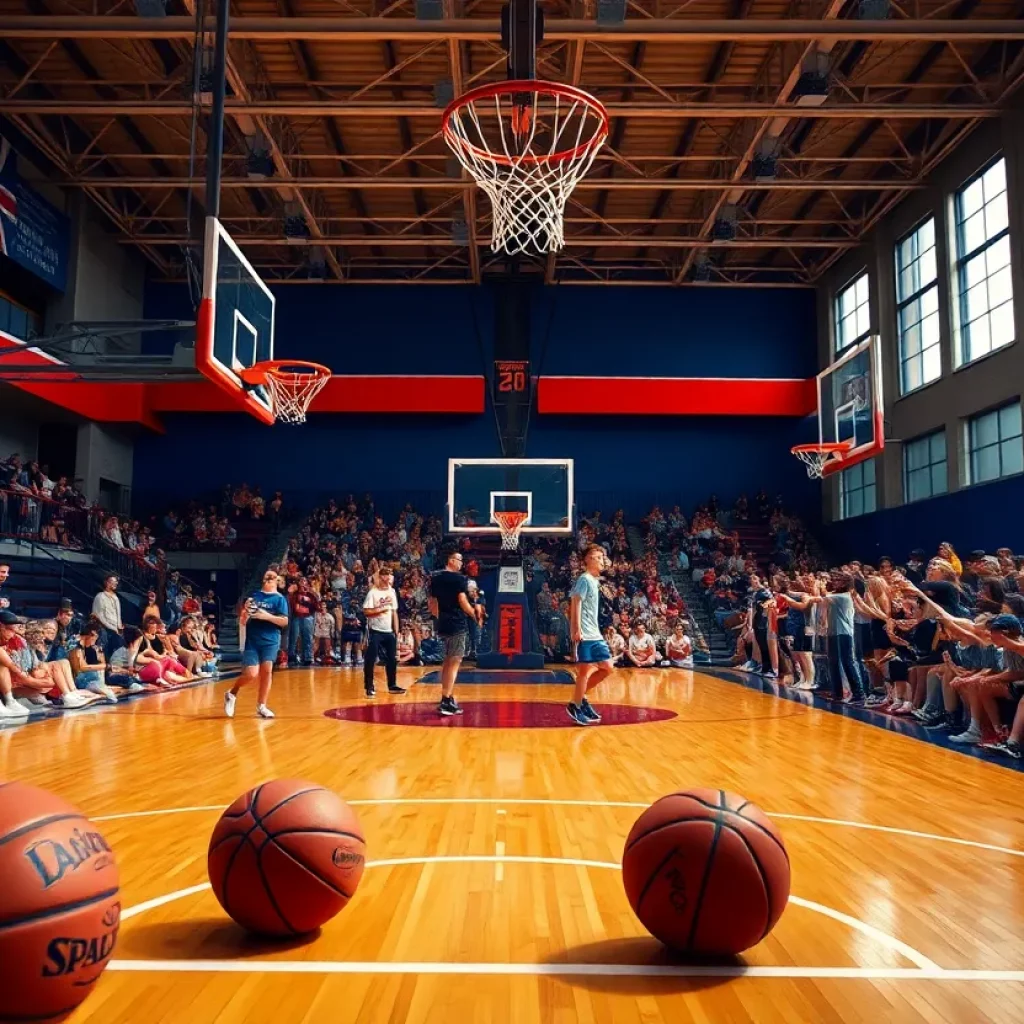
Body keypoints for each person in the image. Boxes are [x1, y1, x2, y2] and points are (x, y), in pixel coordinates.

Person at [225, 568, 289, 719]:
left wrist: (266, 616)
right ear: (263, 578)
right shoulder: (254, 596)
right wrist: (244, 613)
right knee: (251, 674)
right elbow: (243, 620)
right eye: (267, 574)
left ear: (277, 581)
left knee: (267, 671)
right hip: (253, 639)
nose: (270, 577)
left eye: (273, 576)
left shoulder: (280, 599)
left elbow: (284, 621)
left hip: (271, 639)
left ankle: (262, 705)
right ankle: (232, 693)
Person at [567, 544, 616, 725]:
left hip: (595, 634)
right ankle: (576, 705)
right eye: (598, 557)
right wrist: (575, 629)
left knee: (607, 667)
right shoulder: (584, 579)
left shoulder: (595, 581)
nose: (602, 561)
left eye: (602, 558)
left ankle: (580, 698)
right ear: (587, 559)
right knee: (584, 672)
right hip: (585, 634)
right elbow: (575, 602)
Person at [429, 545, 477, 716]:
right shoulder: (459, 579)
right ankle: (445, 700)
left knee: (448, 661)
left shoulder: (435, 578)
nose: (461, 563)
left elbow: (432, 602)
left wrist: (437, 619)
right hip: (457, 623)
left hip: (443, 623)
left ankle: (447, 696)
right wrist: (474, 615)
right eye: (459, 560)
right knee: (455, 661)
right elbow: (463, 602)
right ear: (451, 561)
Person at [362, 567, 405, 698]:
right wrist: (379, 611)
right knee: (370, 659)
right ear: (380, 577)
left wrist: (397, 631)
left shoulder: (392, 592)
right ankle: (369, 686)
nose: (387, 578)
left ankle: (392, 685)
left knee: (392, 659)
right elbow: (366, 611)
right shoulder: (373, 593)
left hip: (388, 630)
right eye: (385, 576)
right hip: (375, 631)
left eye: (389, 575)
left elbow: (394, 612)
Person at [91, 574, 123, 657]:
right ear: (106, 583)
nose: (115, 584)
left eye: (116, 582)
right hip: (104, 630)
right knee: (104, 653)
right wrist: (113, 628)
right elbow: (99, 616)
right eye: (112, 582)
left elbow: (118, 615)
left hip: (115, 630)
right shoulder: (100, 596)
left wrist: (119, 627)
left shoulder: (116, 598)